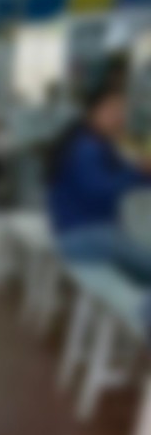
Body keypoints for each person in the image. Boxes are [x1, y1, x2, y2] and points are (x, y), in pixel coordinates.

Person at [46, 76, 151, 281]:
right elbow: (100, 192)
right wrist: (139, 172)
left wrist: (141, 173)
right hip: (85, 237)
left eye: (122, 111)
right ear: (93, 112)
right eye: (113, 111)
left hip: (84, 235)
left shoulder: (97, 145)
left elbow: (129, 175)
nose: (121, 118)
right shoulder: (86, 148)